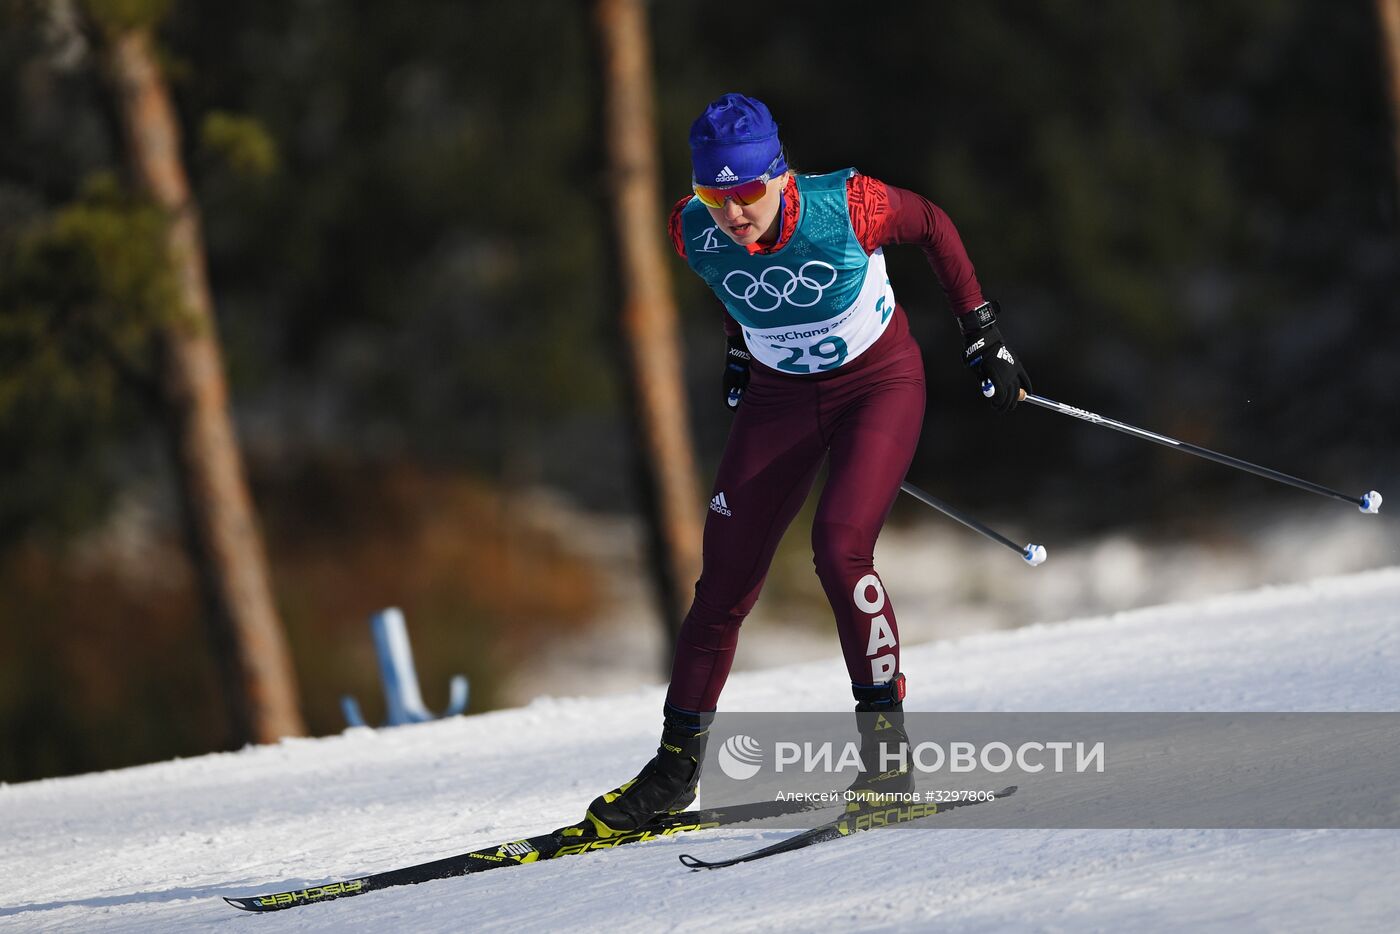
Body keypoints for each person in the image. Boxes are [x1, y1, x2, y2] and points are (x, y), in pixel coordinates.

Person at [585, 92, 1031, 836]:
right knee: (721, 583)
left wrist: (981, 332)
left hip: (878, 385)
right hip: (779, 400)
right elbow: (729, 280)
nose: (731, 212)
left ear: (781, 177)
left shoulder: (849, 205)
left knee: (839, 548)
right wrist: (738, 345)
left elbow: (933, 226)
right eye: (712, 194)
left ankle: (887, 760)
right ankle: (674, 768)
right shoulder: (690, 229)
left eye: (747, 192)